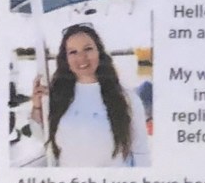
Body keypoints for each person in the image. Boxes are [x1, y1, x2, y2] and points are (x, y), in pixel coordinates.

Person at [45, 22, 151, 167]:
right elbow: (45, 138)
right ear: (66, 59)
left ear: (99, 52)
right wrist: (37, 108)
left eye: (88, 49)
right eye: (73, 52)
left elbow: (141, 152)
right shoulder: (57, 96)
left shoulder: (127, 99)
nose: (81, 57)